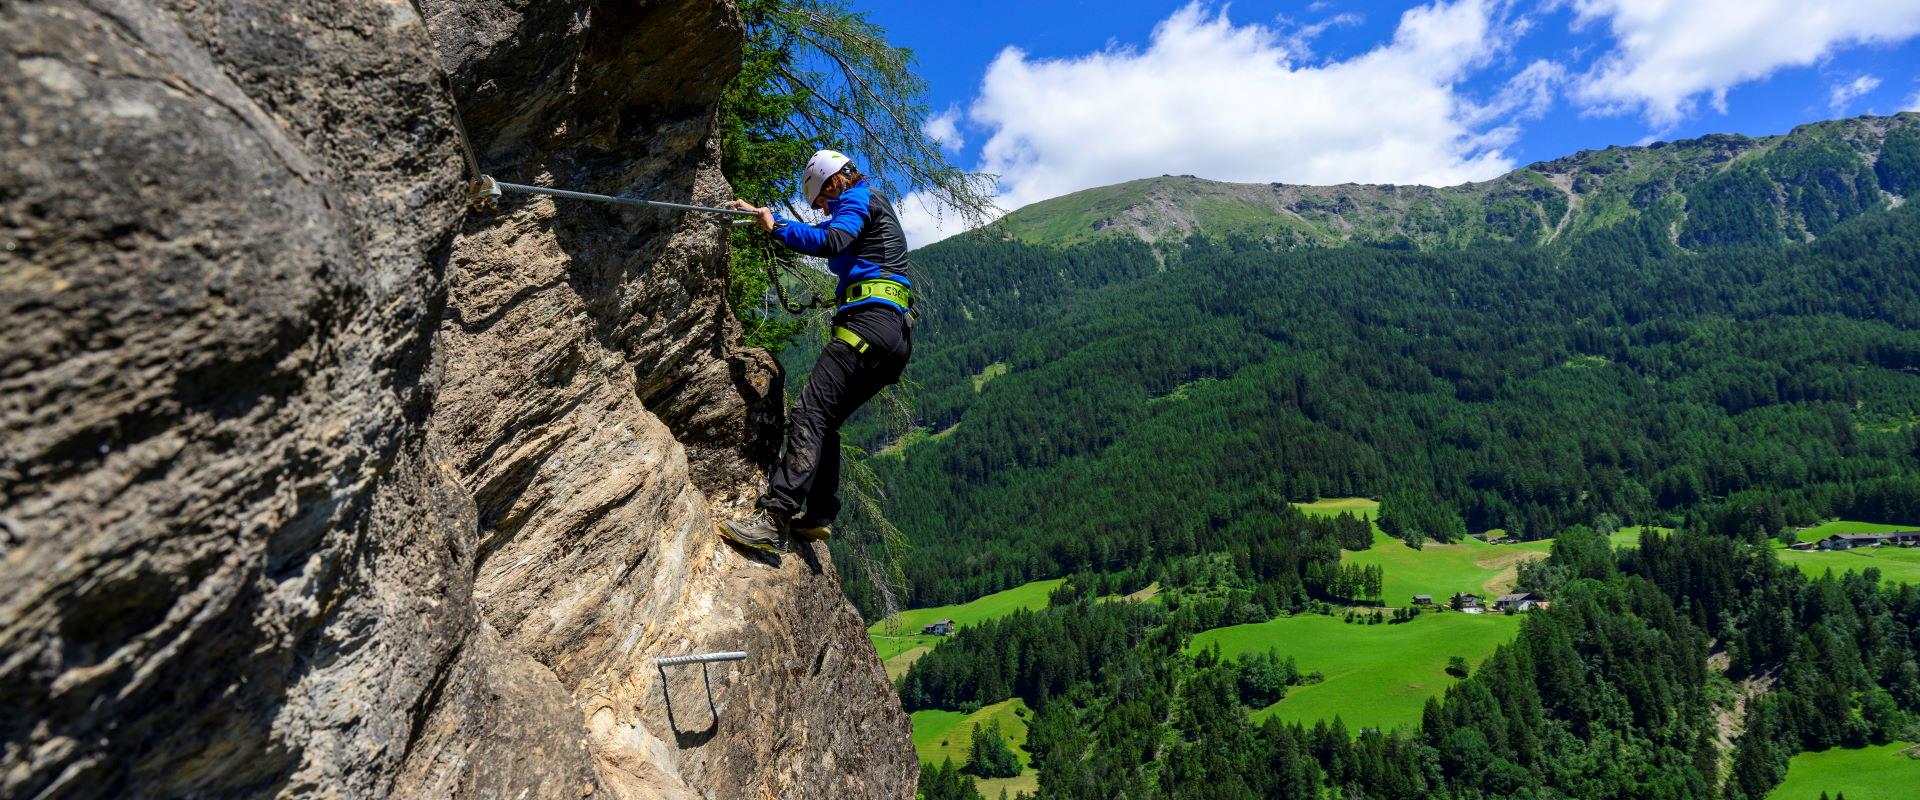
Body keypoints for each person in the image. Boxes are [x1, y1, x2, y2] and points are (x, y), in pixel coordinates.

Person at [718, 150, 914, 552]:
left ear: (835, 179)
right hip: (894, 337)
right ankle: (820, 513)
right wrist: (767, 218)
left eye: (823, 199)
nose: (824, 208)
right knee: (826, 422)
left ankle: (775, 519)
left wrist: (777, 229)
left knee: (809, 413)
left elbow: (832, 239)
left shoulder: (859, 196)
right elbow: (839, 237)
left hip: (866, 326)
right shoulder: (874, 206)